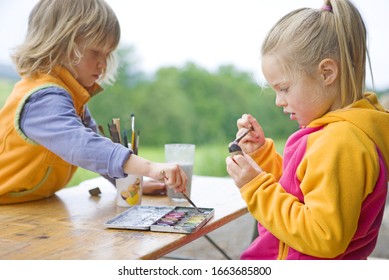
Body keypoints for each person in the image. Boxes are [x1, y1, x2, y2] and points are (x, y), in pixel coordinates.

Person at [226, 0, 389, 260]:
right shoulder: (336, 133)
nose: (279, 100)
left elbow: (323, 236)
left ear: (326, 73)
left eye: (284, 88)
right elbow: (299, 194)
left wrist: (256, 188)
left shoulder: (341, 142)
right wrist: (261, 156)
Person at [0, 0, 186, 204]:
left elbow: (98, 152)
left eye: (108, 54)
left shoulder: (72, 96)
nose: (103, 63)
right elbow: (83, 146)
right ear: (59, 43)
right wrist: (149, 168)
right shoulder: (42, 99)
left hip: (29, 204)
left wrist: (124, 182)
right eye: (95, 52)